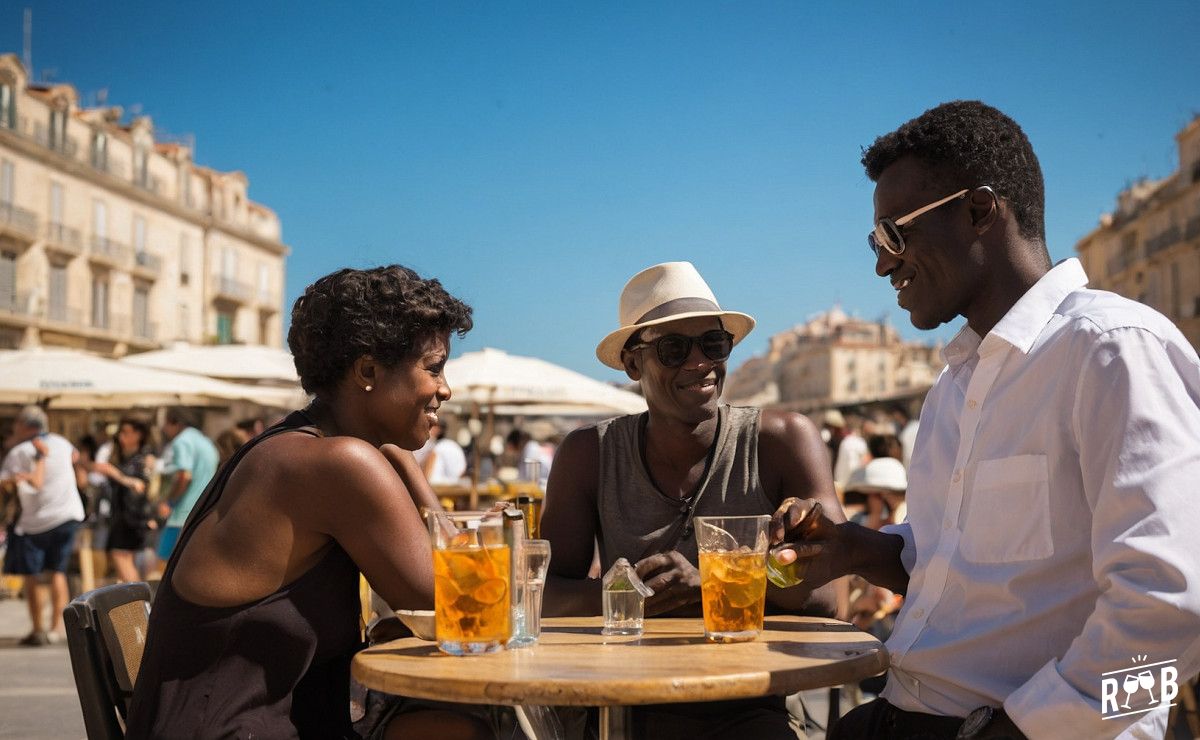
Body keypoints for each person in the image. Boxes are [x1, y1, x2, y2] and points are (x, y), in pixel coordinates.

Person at [771, 100, 1200, 739]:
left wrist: (1031, 729)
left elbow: (1180, 612)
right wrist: (856, 549)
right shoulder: (955, 384)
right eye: (875, 241)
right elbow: (959, 566)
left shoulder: (1111, 349)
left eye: (894, 234)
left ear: (978, 210)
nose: (882, 264)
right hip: (902, 712)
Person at [126, 265, 490, 739]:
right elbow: (464, 610)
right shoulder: (337, 464)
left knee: (461, 726)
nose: (445, 389)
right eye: (434, 368)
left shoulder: (302, 446)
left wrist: (397, 453)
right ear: (367, 371)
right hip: (229, 732)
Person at [541, 261, 845, 739]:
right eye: (674, 348)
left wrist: (710, 587)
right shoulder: (589, 455)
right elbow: (543, 595)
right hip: (623, 709)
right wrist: (632, 596)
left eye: (713, 344)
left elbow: (831, 595)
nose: (699, 362)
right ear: (633, 364)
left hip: (750, 707)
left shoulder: (783, 440)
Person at [0, 405, 85, 646]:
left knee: (32, 575)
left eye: (17, 423)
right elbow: (76, 460)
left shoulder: (20, 451)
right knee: (57, 572)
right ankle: (56, 629)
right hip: (68, 514)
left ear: (27, 426)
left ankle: (38, 629)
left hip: (34, 522)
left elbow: (5, 484)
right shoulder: (63, 442)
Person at [91, 418, 157, 583]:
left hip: (133, 516)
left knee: (121, 557)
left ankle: (139, 603)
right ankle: (137, 604)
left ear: (139, 434)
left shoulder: (145, 458)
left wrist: (116, 474)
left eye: (126, 432)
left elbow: (143, 485)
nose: (122, 437)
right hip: (121, 514)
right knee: (126, 562)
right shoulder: (122, 457)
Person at [154, 407, 219, 559]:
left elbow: (185, 475)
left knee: (164, 562)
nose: (163, 428)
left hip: (182, 513)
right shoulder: (205, 441)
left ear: (175, 423)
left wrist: (168, 501)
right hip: (203, 510)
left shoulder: (182, 441)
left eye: (165, 423)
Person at [417, 418, 467, 484]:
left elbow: (428, 473)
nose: (432, 430)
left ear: (440, 430)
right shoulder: (443, 445)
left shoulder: (440, 447)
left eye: (434, 427)